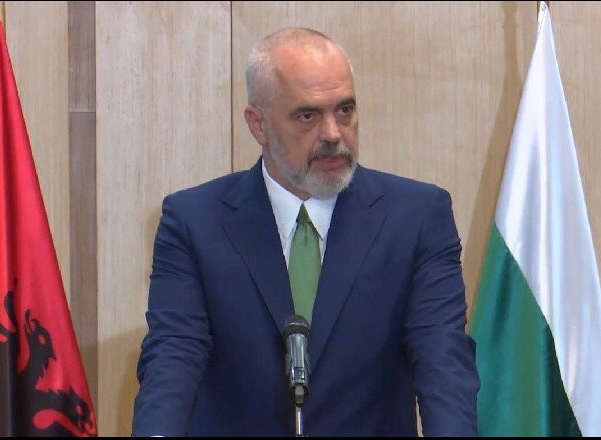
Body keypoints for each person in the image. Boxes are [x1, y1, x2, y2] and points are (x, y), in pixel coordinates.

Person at [131, 26, 480, 437]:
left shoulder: (417, 217)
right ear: (258, 125)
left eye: (345, 110)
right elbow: (172, 358)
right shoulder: (194, 222)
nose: (333, 133)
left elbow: (442, 362)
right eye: (308, 116)